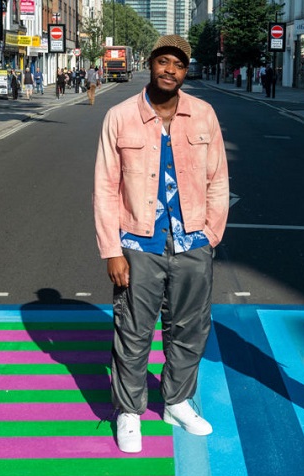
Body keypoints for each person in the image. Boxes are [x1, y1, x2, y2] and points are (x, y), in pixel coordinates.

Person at [93, 34, 230, 454]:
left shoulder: (204, 114)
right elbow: (105, 186)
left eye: (179, 65)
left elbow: (218, 179)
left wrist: (211, 234)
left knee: (190, 328)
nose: (170, 70)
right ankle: (130, 411)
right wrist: (112, 249)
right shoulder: (119, 116)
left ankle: (176, 401)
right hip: (138, 241)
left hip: (192, 241)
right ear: (150, 64)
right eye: (163, 62)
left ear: (185, 72)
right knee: (133, 330)